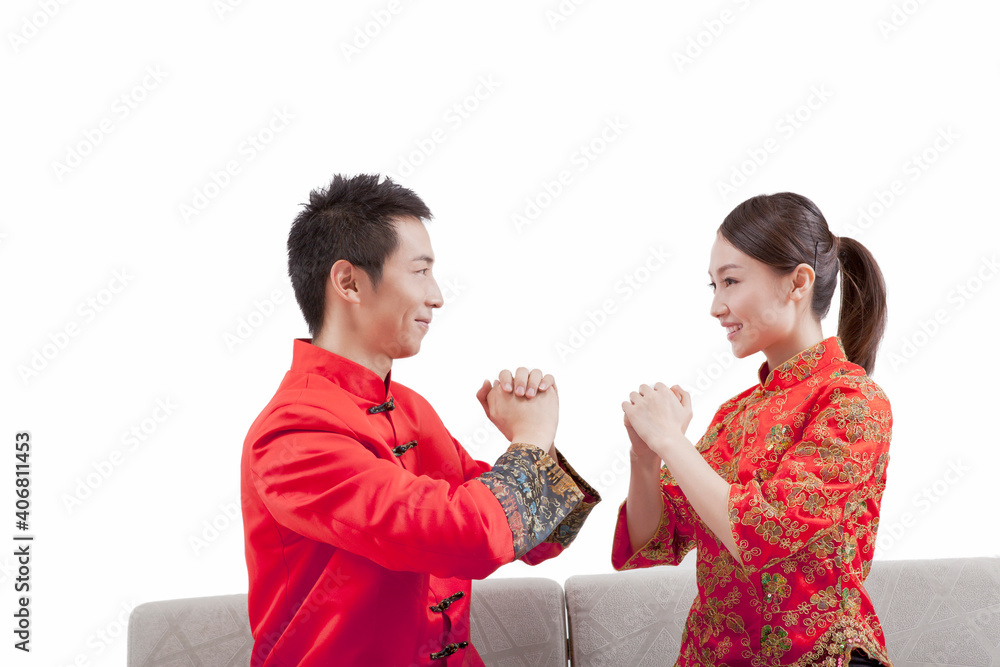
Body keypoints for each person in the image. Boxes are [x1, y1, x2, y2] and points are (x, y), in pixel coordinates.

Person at [240, 173, 601, 666]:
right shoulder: (292, 432)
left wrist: (530, 443)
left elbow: (541, 538)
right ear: (348, 282)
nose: (437, 296)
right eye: (420, 271)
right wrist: (530, 439)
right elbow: (469, 536)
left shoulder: (410, 408)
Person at [614, 192, 893, 667]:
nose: (717, 306)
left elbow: (761, 534)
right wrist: (646, 457)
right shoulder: (734, 414)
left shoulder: (853, 401)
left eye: (731, 281)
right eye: (713, 286)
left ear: (797, 283)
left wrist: (671, 440)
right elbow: (654, 540)